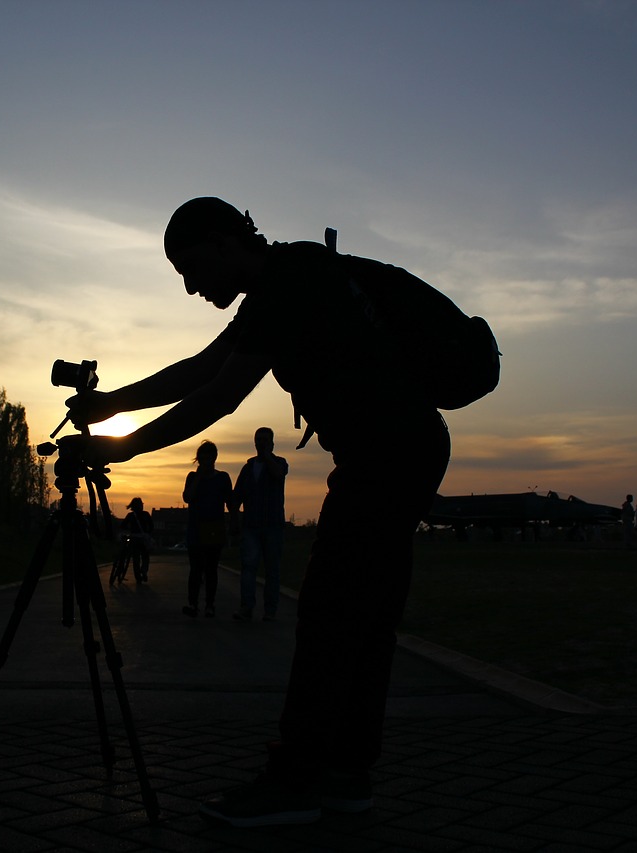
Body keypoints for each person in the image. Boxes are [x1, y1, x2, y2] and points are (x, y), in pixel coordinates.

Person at [61, 197, 452, 827]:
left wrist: (119, 444)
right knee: (364, 618)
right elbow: (201, 368)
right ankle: (347, 775)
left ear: (225, 242)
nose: (191, 288)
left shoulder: (287, 285)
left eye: (192, 269)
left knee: (330, 614)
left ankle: (296, 782)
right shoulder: (283, 282)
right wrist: (111, 404)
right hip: (400, 449)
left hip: (386, 454)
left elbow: (216, 396)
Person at [231, 427, 289, 622]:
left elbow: (278, 475)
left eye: (265, 439)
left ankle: (270, 610)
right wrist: (233, 520)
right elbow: (236, 497)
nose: (262, 442)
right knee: (248, 567)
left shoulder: (280, 463)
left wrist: (267, 457)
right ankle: (246, 607)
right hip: (251, 526)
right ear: (254, 442)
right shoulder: (247, 468)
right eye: (259, 439)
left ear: (272, 443)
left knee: (272, 569)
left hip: (273, 525)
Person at [182, 440, 233, 618]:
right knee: (195, 569)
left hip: (214, 528)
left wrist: (233, 524)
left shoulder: (223, 478)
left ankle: (210, 605)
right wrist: (198, 477)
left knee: (211, 569)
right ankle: (192, 603)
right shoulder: (191, 477)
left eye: (208, 458)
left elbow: (231, 502)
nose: (205, 462)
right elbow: (188, 497)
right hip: (196, 529)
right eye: (201, 459)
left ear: (214, 458)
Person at [121, 497, 154, 583]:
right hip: (143, 538)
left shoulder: (130, 516)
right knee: (145, 556)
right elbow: (151, 526)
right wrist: (148, 533)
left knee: (136, 558)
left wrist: (128, 530)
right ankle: (144, 571)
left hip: (134, 538)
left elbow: (123, 525)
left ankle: (138, 576)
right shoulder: (146, 514)